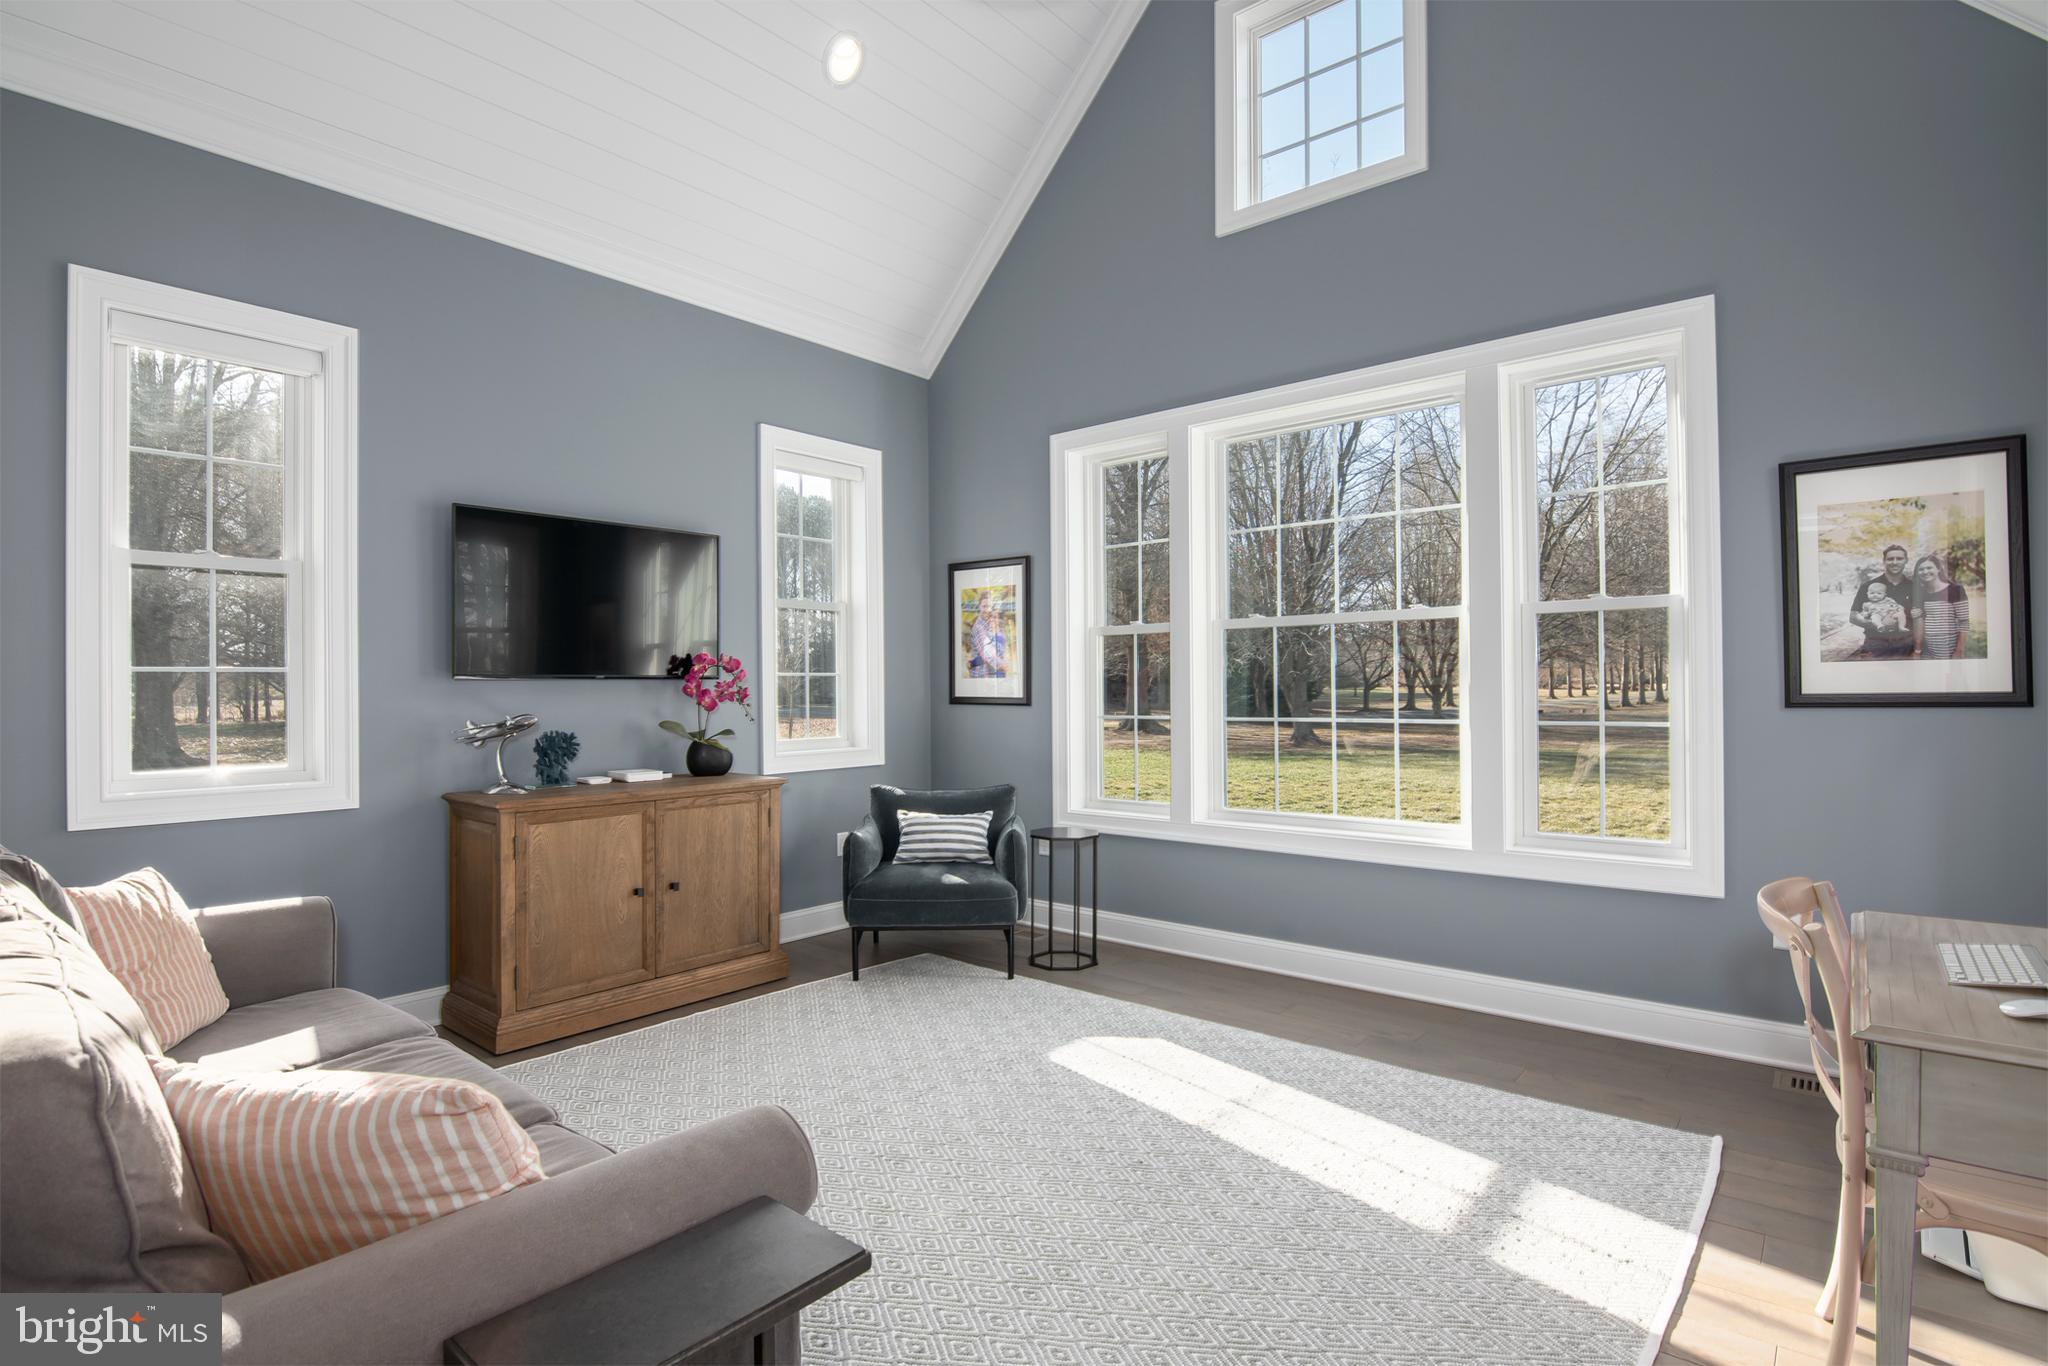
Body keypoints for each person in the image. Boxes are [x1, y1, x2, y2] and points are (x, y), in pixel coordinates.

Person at [1847, 544, 1916, 659]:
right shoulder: (1868, 586)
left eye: (1899, 558)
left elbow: (1921, 617)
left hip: (1906, 646)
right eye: (1890, 559)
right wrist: (1879, 624)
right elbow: (1853, 617)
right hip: (1875, 645)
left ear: (1906, 560)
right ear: (1884, 561)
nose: (1895, 562)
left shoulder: (1914, 587)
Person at [1912, 554, 1969, 660]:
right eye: (1921, 569)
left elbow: (1964, 622)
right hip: (1926, 648)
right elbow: (1920, 620)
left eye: (1929, 568)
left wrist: (1959, 650)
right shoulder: (1921, 592)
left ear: (1938, 569)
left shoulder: (1955, 590)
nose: (1925, 572)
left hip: (1947, 648)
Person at [968, 593, 1009, 678]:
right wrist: (1003, 665)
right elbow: (987, 653)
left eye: (989, 606)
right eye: (984, 606)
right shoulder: (978, 627)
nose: (986, 610)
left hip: (993, 674)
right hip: (981, 675)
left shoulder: (990, 624)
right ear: (979, 607)